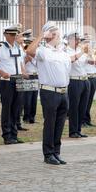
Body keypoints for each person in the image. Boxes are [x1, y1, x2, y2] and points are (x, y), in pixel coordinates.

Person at [26, 22, 71, 165]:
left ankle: (56, 152)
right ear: (49, 35)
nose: (59, 36)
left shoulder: (63, 53)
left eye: (58, 33)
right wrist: (41, 36)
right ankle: (48, 153)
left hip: (63, 92)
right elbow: (29, 51)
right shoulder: (43, 51)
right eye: (56, 33)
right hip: (49, 92)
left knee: (60, 124)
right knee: (50, 123)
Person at [0, 25, 25, 145]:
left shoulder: (18, 47)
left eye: (15, 35)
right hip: (7, 81)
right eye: (11, 35)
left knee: (17, 108)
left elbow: (20, 63)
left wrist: (23, 73)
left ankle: (14, 134)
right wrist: (2, 72)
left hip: (18, 79)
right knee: (7, 109)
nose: (14, 37)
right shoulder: (0, 48)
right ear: (6, 35)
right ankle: (7, 135)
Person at [65, 30, 90, 138]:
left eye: (79, 39)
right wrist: (82, 52)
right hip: (74, 81)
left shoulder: (81, 50)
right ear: (70, 39)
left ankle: (78, 129)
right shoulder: (66, 51)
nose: (78, 41)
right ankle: (73, 131)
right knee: (74, 107)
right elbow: (71, 60)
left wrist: (91, 53)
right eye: (76, 39)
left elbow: (91, 62)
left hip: (85, 80)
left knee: (82, 107)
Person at [21, 29, 39, 125]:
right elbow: (21, 63)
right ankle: (26, 117)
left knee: (34, 98)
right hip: (28, 75)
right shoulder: (24, 52)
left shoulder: (37, 52)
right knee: (27, 98)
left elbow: (39, 64)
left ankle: (32, 117)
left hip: (35, 75)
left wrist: (32, 58)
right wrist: (27, 58)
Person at [82, 34, 96, 128]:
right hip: (86, 76)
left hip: (93, 76)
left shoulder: (92, 51)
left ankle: (87, 119)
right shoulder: (82, 52)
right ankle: (82, 120)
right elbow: (91, 61)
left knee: (90, 99)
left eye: (89, 41)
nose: (88, 43)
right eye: (86, 41)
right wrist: (90, 55)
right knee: (85, 100)